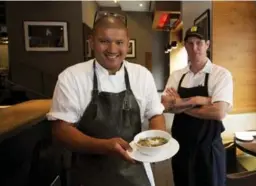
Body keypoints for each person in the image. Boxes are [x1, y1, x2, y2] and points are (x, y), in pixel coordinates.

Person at [47, 11, 166, 186]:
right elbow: (61, 130)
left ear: (127, 44)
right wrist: (104, 146)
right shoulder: (72, 77)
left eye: (119, 42)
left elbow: (156, 114)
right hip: (89, 174)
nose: (112, 50)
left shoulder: (142, 75)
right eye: (104, 41)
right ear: (91, 42)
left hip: (136, 171)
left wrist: (156, 141)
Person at [161, 25, 233, 186]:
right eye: (190, 43)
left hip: (209, 152)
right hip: (181, 148)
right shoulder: (177, 75)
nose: (195, 48)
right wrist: (202, 100)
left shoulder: (221, 75)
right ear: (185, 45)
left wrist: (181, 103)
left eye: (199, 42)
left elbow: (219, 112)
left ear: (207, 44)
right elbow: (166, 105)